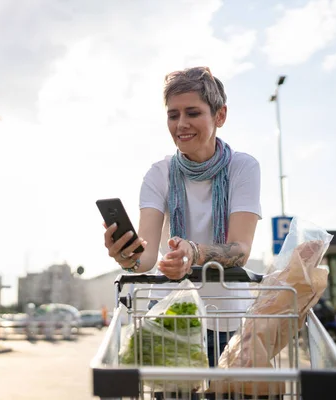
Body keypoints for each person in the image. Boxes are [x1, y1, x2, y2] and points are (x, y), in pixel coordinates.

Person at [103, 66, 261, 367]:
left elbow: (240, 250)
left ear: (220, 116)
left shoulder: (243, 168)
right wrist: (126, 256)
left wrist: (194, 251)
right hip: (169, 314)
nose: (181, 124)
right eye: (173, 115)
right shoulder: (158, 174)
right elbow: (146, 258)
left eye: (192, 113)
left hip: (225, 317)